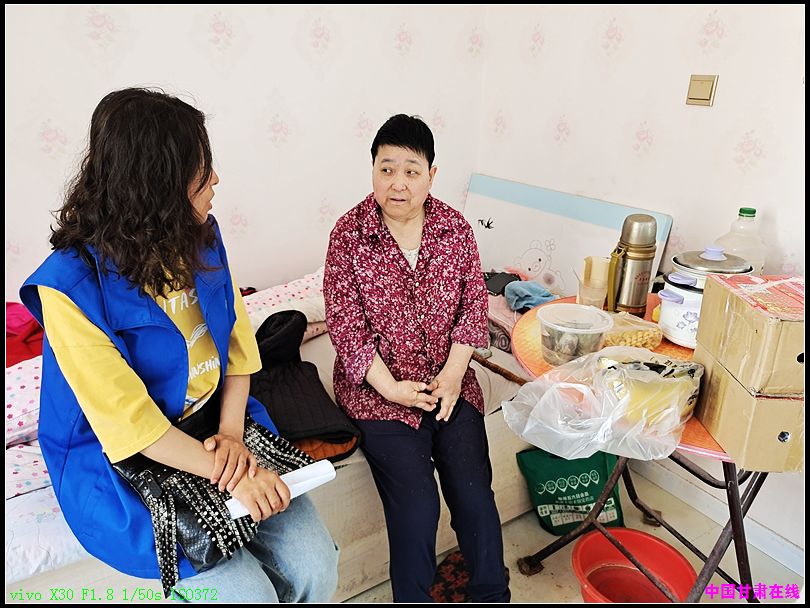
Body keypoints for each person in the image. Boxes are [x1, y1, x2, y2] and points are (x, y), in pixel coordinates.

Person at [19, 88, 338, 603]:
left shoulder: (199, 234)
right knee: (248, 596)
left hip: (218, 431)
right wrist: (230, 476)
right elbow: (132, 428)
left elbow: (237, 344)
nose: (215, 180)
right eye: (201, 170)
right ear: (157, 184)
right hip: (129, 457)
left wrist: (231, 436)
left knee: (316, 567)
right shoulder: (69, 289)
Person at [323, 114, 510, 602]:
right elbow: (344, 324)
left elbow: (473, 305)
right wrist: (390, 388)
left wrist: (454, 374)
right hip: (379, 394)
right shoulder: (348, 234)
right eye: (386, 169)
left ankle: (492, 593)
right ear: (372, 170)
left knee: (474, 492)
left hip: (449, 383)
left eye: (411, 170)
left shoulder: (454, 228)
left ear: (431, 174)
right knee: (416, 507)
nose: (398, 183)